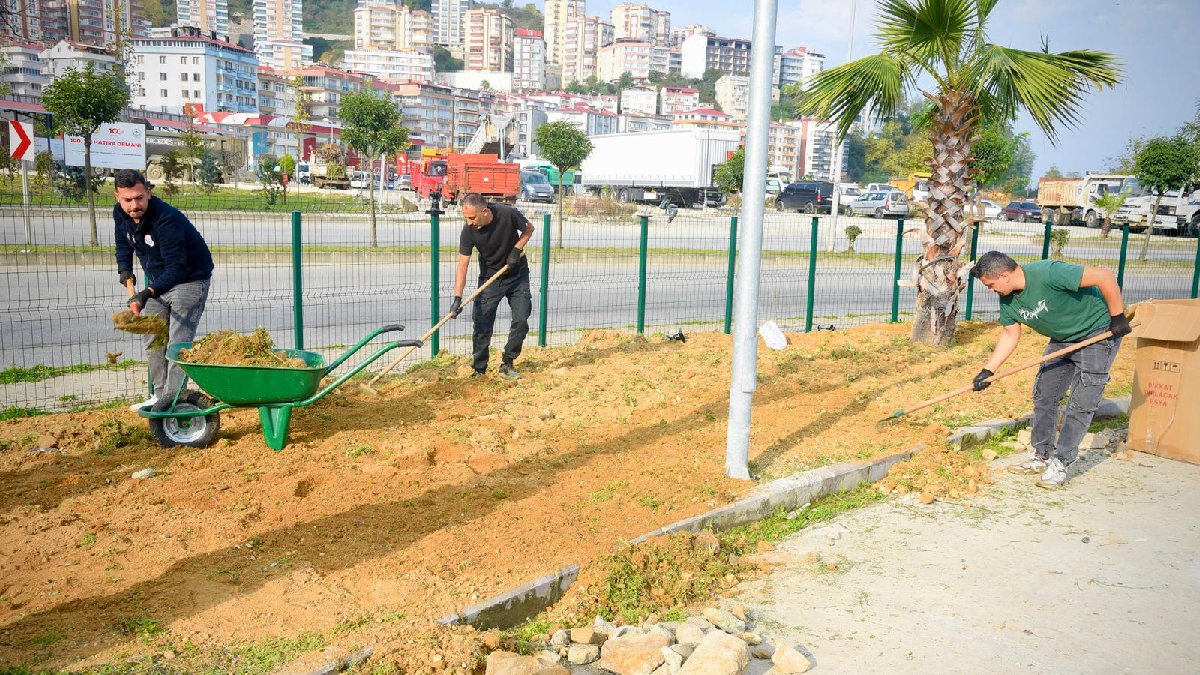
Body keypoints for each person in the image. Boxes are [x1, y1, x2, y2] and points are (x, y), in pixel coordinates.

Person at [970, 251, 1132, 489]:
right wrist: (989, 370)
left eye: (990, 284)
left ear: (1004, 276)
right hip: (1061, 339)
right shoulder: (1007, 299)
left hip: (1097, 333)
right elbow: (1009, 334)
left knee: (1081, 403)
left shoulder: (1049, 272)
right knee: (1045, 396)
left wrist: (1117, 317)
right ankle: (1041, 454)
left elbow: (1104, 276)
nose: (989, 289)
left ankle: (1061, 462)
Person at [114, 169, 214, 411]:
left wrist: (147, 293)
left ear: (148, 192)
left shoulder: (166, 220)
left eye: (139, 197)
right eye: (127, 200)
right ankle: (160, 398)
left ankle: (173, 400)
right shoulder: (121, 214)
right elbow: (122, 242)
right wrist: (125, 270)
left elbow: (177, 268)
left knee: (177, 344)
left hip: (189, 278)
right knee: (154, 339)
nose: (134, 205)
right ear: (117, 197)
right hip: (159, 280)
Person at [450, 193, 535, 379]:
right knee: (482, 323)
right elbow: (462, 265)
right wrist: (457, 298)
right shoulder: (468, 231)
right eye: (466, 217)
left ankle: (508, 363)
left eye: (472, 217)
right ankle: (479, 369)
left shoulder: (507, 213)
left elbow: (529, 228)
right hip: (490, 278)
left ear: (485, 211)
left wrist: (516, 249)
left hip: (517, 275)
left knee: (521, 320)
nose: (469, 222)